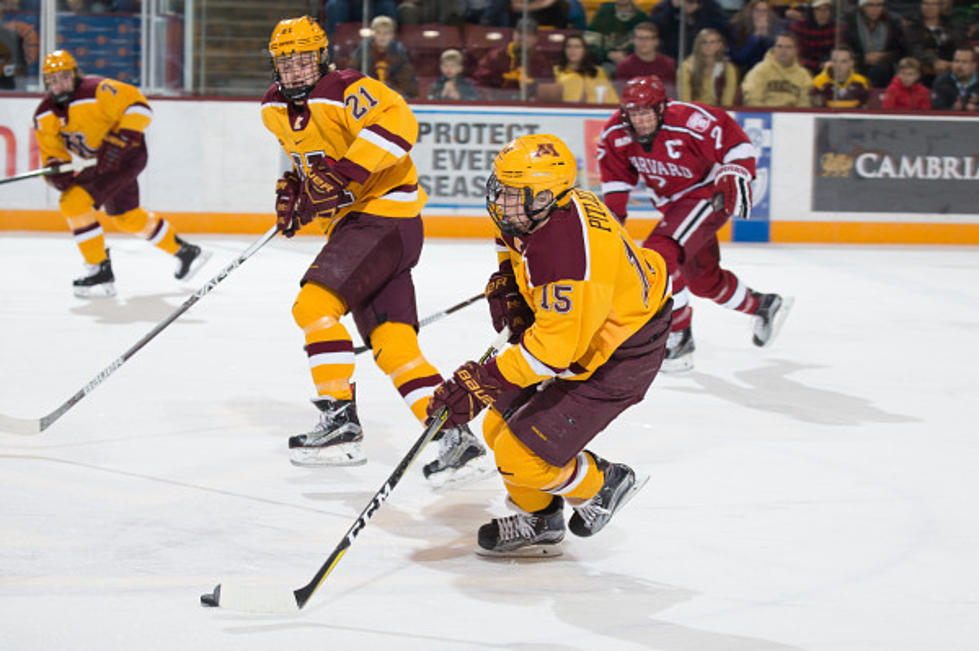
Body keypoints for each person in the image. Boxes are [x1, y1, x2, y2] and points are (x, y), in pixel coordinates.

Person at [262, 16, 489, 484]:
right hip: (370, 229)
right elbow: (315, 169)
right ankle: (454, 437)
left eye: (305, 60)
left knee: (313, 306)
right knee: (392, 342)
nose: (296, 71)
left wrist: (342, 175)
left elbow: (399, 125)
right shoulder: (273, 109)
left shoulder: (345, 87)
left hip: (383, 218)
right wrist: (297, 195)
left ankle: (340, 421)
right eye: (286, 62)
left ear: (322, 57)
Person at [426, 133, 670, 555]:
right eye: (499, 187)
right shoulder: (537, 210)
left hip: (622, 348)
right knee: (495, 427)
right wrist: (508, 281)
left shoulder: (568, 256)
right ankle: (542, 520)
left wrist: (483, 382)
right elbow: (511, 240)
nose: (499, 199)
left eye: (511, 192)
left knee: (520, 456)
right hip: (587, 327)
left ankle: (603, 482)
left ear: (542, 196)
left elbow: (553, 352)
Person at [597, 75, 792, 371]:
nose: (640, 122)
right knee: (702, 280)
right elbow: (616, 180)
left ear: (661, 108)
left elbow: (737, 144)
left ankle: (679, 337)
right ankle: (763, 306)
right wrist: (613, 224)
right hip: (673, 207)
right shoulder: (616, 132)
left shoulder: (690, 120)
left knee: (660, 254)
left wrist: (734, 168)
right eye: (633, 115)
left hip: (708, 194)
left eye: (646, 113)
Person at [32, 50, 208, 298]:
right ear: (46, 83)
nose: (59, 83)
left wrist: (121, 139)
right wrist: (54, 169)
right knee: (126, 217)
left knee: (73, 203)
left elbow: (140, 108)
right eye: (52, 79)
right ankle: (184, 251)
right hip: (101, 163)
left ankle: (98, 268)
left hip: (127, 154)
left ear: (74, 74)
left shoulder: (98, 90)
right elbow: (52, 152)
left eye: (63, 76)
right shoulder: (45, 113)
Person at [473, 16, 555, 99]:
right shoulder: (495, 56)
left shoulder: (542, 62)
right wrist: (492, 103)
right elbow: (480, 83)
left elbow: (548, 92)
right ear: (514, 34)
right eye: (520, 33)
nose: (523, 38)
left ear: (536, 39)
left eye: (529, 34)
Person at [349, 15, 419, 99]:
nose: (382, 36)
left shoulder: (399, 54)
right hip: (366, 96)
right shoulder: (362, 52)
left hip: (392, 96)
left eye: (386, 33)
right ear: (373, 33)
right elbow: (352, 73)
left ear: (392, 34)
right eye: (378, 32)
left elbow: (406, 80)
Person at [841, 0, 906, 88]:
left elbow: (900, 51)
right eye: (870, 5)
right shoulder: (851, 22)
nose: (875, 9)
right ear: (863, 7)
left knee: (881, 68)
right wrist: (863, 58)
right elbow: (845, 49)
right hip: (857, 65)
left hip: (884, 67)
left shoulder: (892, 22)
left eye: (879, 5)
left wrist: (882, 56)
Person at [904, 0, 966, 87]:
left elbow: (961, 46)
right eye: (926, 3)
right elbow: (915, 50)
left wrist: (953, 63)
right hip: (925, 69)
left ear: (939, 6)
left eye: (933, 4)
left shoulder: (951, 26)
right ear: (920, 6)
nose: (929, 7)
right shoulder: (913, 28)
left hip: (951, 66)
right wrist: (935, 61)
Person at [741, 31, 812, 107]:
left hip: (792, 117)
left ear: (796, 51)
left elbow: (805, 104)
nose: (783, 51)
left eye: (788, 47)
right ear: (774, 48)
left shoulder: (804, 76)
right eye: (779, 46)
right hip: (765, 115)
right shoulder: (760, 71)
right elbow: (752, 99)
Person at [649, 0, 730, 61]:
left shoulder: (710, 6)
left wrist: (698, 10)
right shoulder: (666, 7)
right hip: (671, 55)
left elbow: (721, 28)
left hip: (701, 58)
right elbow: (654, 27)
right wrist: (672, 9)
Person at [585, 0, 649, 75]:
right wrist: (607, 54)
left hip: (633, 64)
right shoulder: (603, 14)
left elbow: (647, 45)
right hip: (604, 63)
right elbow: (589, 43)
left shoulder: (641, 17)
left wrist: (626, 54)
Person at [677, 27, 738, 106]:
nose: (708, 46)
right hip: (694, 111)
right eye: (704, 42)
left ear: (719, 45)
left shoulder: (728, 68)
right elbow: (685, 100)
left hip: (719, 112)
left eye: (712, 42)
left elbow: (727, 102)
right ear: (698, 45)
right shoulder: (686, 67)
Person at [553, 32, 620, 103]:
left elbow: (612, 100)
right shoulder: (556, 71)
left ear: (584, 50)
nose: (572, 50)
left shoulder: (597, 71)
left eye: (577, 47)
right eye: (568, 46)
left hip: (594, 112)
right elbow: (549, 99)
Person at [728, 0, 784, 75]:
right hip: (746, 70)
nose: (761, 14)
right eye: (757, 10)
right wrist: (755, 37)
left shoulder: (776, 25)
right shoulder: (738, 26)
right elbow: (739, 58)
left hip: (771, 71)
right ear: (750, 11)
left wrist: (767, 37)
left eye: (765, 11)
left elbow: (778, 56)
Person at [613, 22, 677, 88]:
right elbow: (621, 93)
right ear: (633, 40)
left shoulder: (668, 64)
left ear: (656, 41)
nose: (643, 42)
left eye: (647, 38)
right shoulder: (624, 65)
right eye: (640, 38)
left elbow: (670, 93)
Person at [788, 0, 839, 75]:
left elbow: (841, 53)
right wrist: (819, 65)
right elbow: (795, 58)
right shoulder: (798, 27)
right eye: (819, 9)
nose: (823, 13)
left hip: (831, 70)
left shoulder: (837, 28)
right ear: (812, 11)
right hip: (803, 71)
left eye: (826, 9)